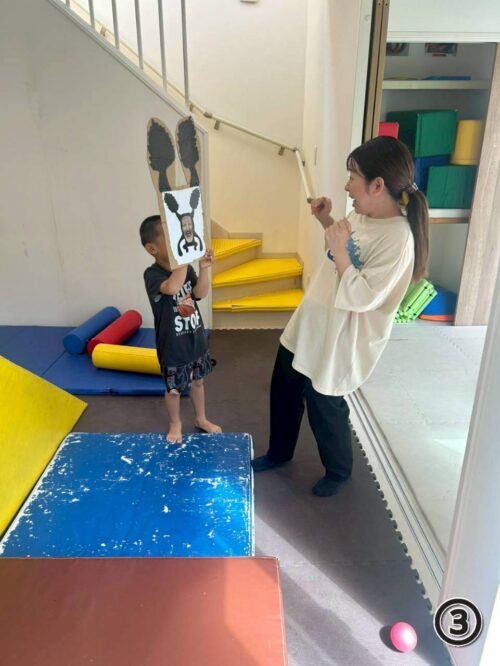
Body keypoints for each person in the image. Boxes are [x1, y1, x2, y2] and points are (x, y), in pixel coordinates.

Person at [252, 136, 429, 497]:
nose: (347, 186)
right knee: (285, 383)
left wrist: (340, 250)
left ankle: (338, 471)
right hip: (313, 317)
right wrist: (325, 220)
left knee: (324, 402)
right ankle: (279, 452)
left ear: (377, 185)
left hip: (343, 334)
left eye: (353, 177)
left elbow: (363, 295)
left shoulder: (398, 239)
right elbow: (341, 250)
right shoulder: (361, 214)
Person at [140, 214, 221, 443]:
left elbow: (199, 293)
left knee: (198, 381)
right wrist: (184, 259)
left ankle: (201, 418)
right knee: (174, 390)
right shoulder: (152, 275)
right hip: (173, 345)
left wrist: (203, 268)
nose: (178, 239)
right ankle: (175, 423)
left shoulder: (186, 269)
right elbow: (173, 287)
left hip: (195, 339)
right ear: (152, 248)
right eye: (170, 237)